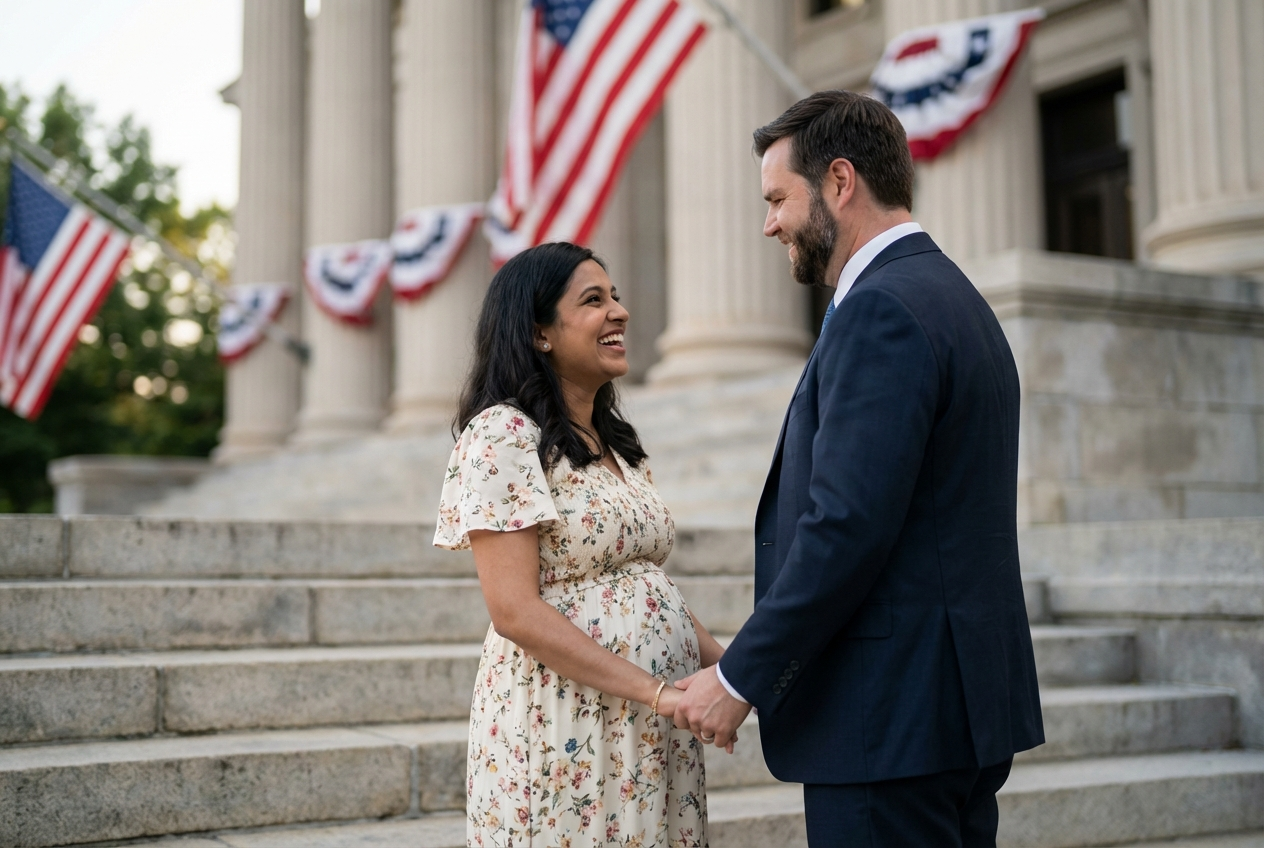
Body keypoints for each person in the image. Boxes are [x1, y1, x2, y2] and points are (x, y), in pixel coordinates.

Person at [672, 90, 1045, 846]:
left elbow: (845, 526)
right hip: (952, 712)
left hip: (889, 722)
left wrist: (740, 678)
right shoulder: (955, 298)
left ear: (840, 182)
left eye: (779, 198)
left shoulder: (881, 310)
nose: (768, 221)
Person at [434, 241, 727, 848]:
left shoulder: (617, 444)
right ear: (540, 333)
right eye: (594, 300)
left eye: (615, 295)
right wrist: (658, 692)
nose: (618, 311)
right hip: (564, 720)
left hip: (650, 725)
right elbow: (513, 610)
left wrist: (731, 671)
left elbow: (645, 586)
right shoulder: (503, 435)